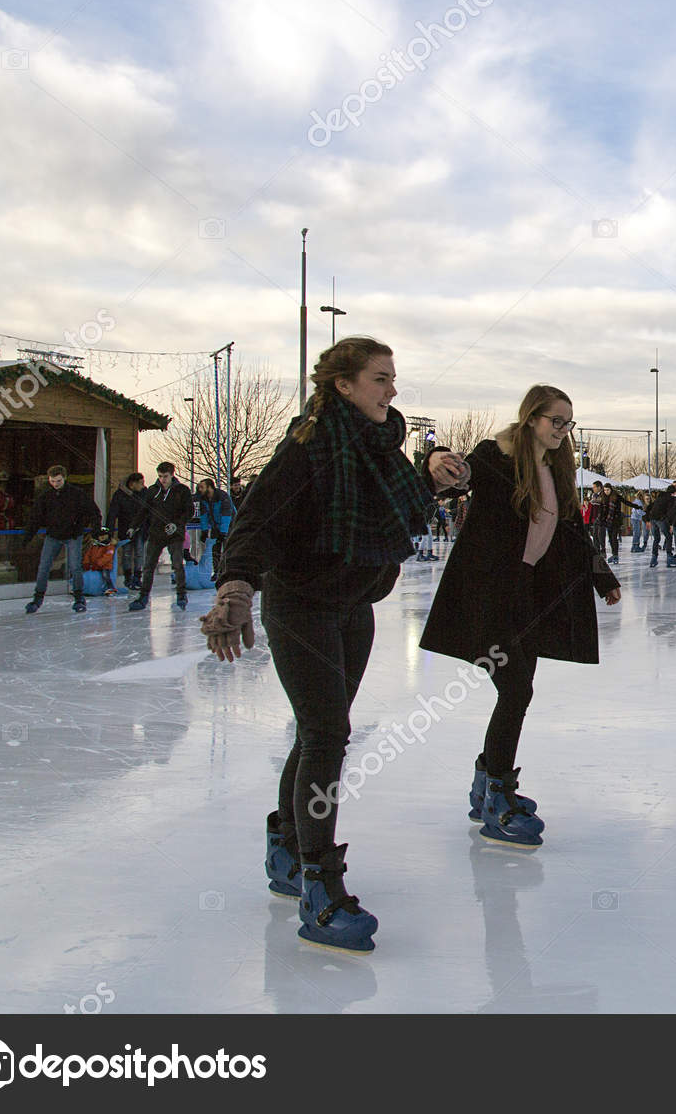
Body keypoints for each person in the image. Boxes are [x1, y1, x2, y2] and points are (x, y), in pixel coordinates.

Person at [203, 336, 465, 953]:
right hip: (301, 608)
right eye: (380, 378)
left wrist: (433, 475)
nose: (392, 389)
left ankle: (286, 848)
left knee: (321, 732)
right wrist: (236, 588)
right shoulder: (308, 450)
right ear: (343, 385)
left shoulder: (378, 449)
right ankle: (320, 885)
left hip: (354, 608)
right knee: (327, 736)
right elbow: (256, 523)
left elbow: (391, 506)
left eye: (393, 377)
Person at [419, 384, 621, 849]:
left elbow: (571, 529)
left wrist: (601, 577)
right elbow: (463, 475)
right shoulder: (497, 456)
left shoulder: (554, 466)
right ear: (532, 418)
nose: (564, 430)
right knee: (515, 689)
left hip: (527, 596)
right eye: (557, 421)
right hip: (489, 594)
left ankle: (487, 784)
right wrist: (438, 458)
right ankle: (495, 794)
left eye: (569, 423)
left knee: (518, 691)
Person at [24, 465, 100, 613]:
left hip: (73, 535)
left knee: (75, 567)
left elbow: (93, 511)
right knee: (44, 566)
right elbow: (35, 518)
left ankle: (79, 598)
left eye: (58, 481)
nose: (55, 484)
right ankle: (37, 598)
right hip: (53, 536)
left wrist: (96, 529)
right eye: (52, 481)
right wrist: (28, 536)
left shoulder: (77, 494)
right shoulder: (46, 496)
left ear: (64, 478)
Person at [128, 462, 195, 611]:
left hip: (175, 534)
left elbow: (189, 511)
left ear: (172, 475)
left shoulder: (182, 490)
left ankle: (181, 595)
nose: (162, 480)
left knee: (177, 565)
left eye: (165, 476)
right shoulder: (153, 491)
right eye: (160, 476)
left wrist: (177, 524)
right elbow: (144, 510)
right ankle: (143, 597)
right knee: (149, 566)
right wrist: (134, 525)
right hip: (156, 533)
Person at [108, 471, 146, 590]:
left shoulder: (144, 493)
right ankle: (128, 577)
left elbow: (149, 511)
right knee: (127, 553)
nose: (143, 485)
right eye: (140, 483)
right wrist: (108, 533)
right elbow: (112, 514)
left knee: (139, 552)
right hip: (125, 529)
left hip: (140, 529)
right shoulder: (120, 495)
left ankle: (137, 577)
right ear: (132, 484)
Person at [647, 482, 676, 568]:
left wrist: (648, 519)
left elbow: (651, 507)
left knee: (656, 539)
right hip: (660, 519)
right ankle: (669, 557)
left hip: (653, 518)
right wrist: (671, 524)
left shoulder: (660, 497)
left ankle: (653, 558)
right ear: (673, 492)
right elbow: (671, 512)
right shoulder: (671, 499)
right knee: (668, 537)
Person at [83, 527, 118, 595]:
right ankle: (81, 588)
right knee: (83, 573)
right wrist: (86, 562)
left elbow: (107, 557)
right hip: (94, 565)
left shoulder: (109, 546)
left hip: (105, 566)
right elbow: (88, 554)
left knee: (105, 575)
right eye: (100, 535)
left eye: (104, 535)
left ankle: (111, 588)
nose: (102, 537)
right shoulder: (94, 545)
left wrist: (98, 563)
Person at [604, 487, 623, 564]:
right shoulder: (605, 498)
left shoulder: (615, 498)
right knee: (611, 539)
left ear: (611, 490)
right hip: (609, 522)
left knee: (614, 538)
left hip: (615, 521)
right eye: (605, 490)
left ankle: (616, 555)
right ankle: (613, 554)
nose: (606, 491)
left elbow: (617, 510)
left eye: (607, 490)